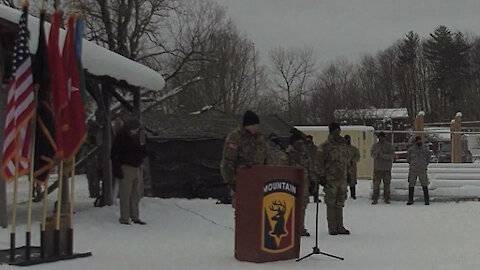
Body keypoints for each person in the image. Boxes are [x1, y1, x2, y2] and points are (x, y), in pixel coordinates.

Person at [220, 110, 267, 207]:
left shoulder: (260, 138)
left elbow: (265, 157)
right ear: (248, 125)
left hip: (259, 184)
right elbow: (227, 163)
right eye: (255, 125)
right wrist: (234, 183)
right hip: (242, 183)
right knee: (244, 215)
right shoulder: (235, 138)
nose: (257, 128)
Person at [111, 118, 148, 225]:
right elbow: (114, 154)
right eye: (136, 128)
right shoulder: (121, 137)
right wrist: (117, 168)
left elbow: (139, 150)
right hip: (126, 167)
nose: (138, 130)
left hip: (136, 166)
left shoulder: (136, 137)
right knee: (125, 194)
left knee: (136, 193)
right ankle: (124, 218)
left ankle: (135, 216)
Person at [317, 122, 350, 235]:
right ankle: (332, 227)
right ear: (331, 132)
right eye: (335, 131)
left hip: (342, 179)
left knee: (340, 203)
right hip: (330, 179)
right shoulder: (325, 146)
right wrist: (321, 177)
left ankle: (340, 226)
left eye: (338, 130)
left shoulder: (343, 145)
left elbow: (347, 161)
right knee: (331, 203)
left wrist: (349, 174)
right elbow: (319, 163)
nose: (338, 133)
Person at [284, 133, 313, 237]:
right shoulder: (287, 154)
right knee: (290, 207)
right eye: (298, 143)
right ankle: (290, 227)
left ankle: (300, 227)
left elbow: (309, 166)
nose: (301, 144)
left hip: (304, 183)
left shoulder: (304, 153)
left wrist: (312, 180)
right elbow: (282, 170)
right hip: (290, 185)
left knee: (302, 206)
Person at [370, 132, 395, 205]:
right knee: (376, 185)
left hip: (386, 168)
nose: (381, 138)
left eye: (382, 137)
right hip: (377, 169)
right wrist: (376, 154)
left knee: (387, 185)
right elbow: (372, 155)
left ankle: (386, 198)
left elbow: (392, 156)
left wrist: (383, 156)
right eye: (380, 137)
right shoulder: (375, 146)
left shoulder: (389, 146)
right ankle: (375, 198)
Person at [406, 136, 431, 205]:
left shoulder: (425, 150)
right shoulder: (411, 150)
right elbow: (408, 159)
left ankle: (427, 200)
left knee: (424, 184)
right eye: (418, 141)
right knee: (411, 184)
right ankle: (410, 200)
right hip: (413, 170)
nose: (419, 142)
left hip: (422, 170)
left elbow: (429, 158)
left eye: (420, 140)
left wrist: (424, 164)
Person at [344, 135, 360, 199]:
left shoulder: (354, 149)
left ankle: (353, 194)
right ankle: (344, 194)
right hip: (343, 168)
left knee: (352, 182)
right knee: (343, 182)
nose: (347, 141)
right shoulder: (341, 149)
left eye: (348, 139)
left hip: (351, 168)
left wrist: (353, 161)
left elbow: (358, 156)